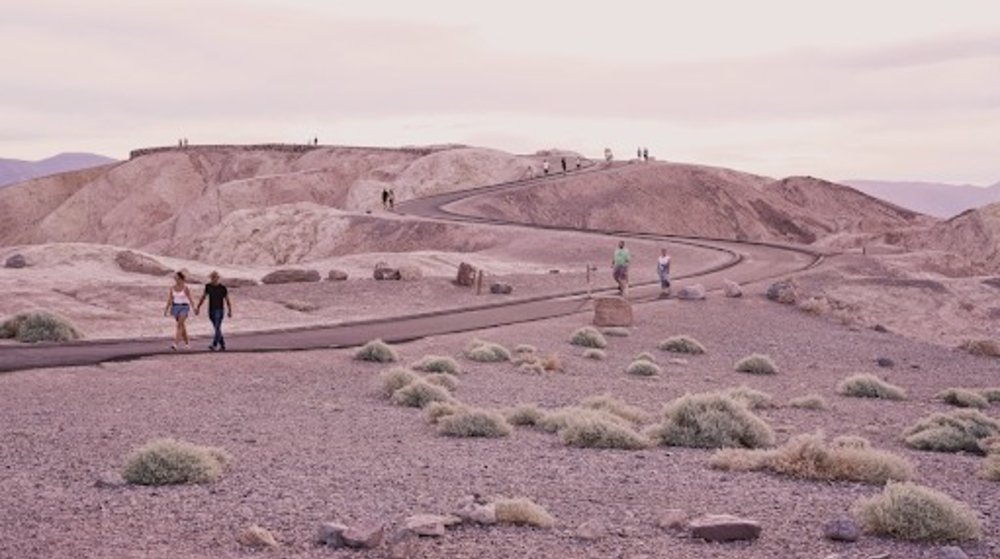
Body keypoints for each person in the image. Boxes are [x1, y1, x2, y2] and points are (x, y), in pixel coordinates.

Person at [195, 271, 232, 351]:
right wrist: (198, 307)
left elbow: (227, 300)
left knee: (217, 327)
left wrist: (229, 311)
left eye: (215, 277)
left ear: (218, 278)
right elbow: (203, 297)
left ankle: (214, 344)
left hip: (220, 310)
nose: (213, 279)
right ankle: (222, 344)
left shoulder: (222, 288)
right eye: (212, 277)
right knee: (217, 328)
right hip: (211, 310)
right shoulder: (208, 286)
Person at [163, 271, 193, 350]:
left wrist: (194, 308)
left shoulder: (185, 288)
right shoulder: (172, 288)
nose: (176, 279)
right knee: (182, 326)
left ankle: (175, 344)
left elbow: (190, 298)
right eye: (175, 278)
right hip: (175, 307)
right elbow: (170, 299)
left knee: (179, 325)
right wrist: (166, 309)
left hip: (184, 307)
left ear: (181, 279)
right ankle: (187, 343)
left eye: (177, 278)